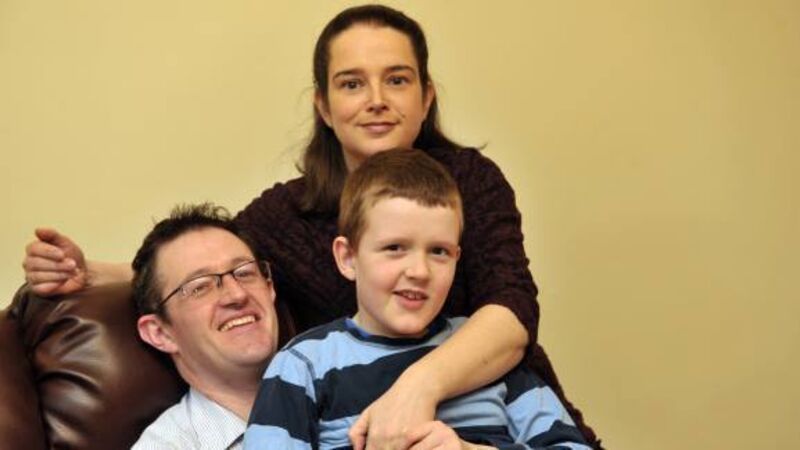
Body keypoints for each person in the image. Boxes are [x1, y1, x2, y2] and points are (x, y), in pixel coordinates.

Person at [21, 4, 599, 448]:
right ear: (323, 105)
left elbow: (511, 312)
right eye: (352, 83)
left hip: (496, 414)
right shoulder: (289, 231)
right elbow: (206, 264)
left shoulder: (470, 180)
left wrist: (415, 393)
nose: (377, 100)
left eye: (397, 80)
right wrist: (89, 271)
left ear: (426, 98)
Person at [244, 149, 590, 450]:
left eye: (439, 251)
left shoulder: (483, 356)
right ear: (348, 258)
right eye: (395, 248)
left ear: (457, 259)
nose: (420, 271)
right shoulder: (303, 365)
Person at [129, 204, 281, 449]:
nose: (237, 294)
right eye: (200, 287)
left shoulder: (340, 388)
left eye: (244, 273)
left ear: (270, 289)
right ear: (160, 333)